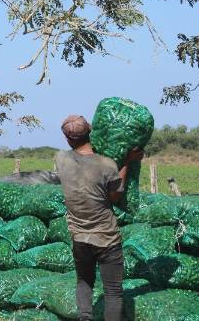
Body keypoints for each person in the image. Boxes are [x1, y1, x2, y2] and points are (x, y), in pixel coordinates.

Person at [55, 115, 144, 321]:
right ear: (91, 132)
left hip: (79, 237)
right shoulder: (106, 164)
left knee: (84, 281)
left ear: (68, 140)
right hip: (106, 238)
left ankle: (85, 317)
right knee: (112, 291)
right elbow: (115, 195)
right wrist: (128, 162)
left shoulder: (60, 159)